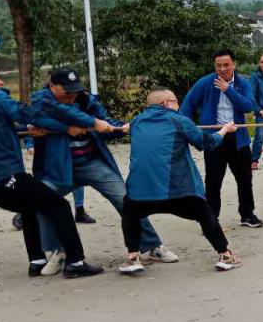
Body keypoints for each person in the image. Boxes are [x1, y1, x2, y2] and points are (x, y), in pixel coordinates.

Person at [0, 64, 104, 278]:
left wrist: (28, 130)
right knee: (60, 205)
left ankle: (36, 262)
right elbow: (26, 112)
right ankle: (75, 263)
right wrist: (69, 127)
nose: (1, 82)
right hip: (3, 174)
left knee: (29, 208)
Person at [30, 68, 177, 277]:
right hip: (58, 168)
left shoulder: (85, 99)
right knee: (42, 201)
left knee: (126, 200)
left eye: (75, 91)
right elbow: (54, 113)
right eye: (67, 92)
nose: (72, 96)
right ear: (52, 85)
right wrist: (85, 123)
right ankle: (58, 252)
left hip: (91, 162)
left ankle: (151, 245)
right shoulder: (41, 99)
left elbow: (105, 123)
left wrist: (122, 128)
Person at [118, 90, 242, 274]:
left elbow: (128, 127)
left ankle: (133, 258)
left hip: (141, 192)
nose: (179, 106)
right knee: (205, 213)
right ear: (166, 103)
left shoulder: (136, 122)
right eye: (176, 101)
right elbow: (207, 143)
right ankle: (225, 255)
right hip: (177, 189)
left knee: (129, 211)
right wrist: (225, 130)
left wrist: (127, 127)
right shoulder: (179, 120)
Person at [180, 48, 263, 228]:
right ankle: (211, 218)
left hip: (238, 137)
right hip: (215, 137)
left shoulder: (243, 83)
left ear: (234, 64)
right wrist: (187, 129)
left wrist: (228, 90)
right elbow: (187, 106)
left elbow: (248, 106)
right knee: (213, 180)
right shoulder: (206, 82)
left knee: (245, 179)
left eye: (226, 65)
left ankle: (247, 215)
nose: (222, 69)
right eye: (219, 65)